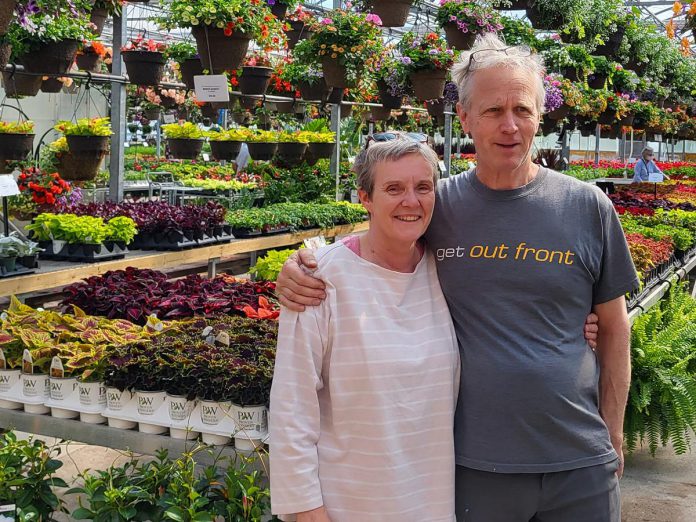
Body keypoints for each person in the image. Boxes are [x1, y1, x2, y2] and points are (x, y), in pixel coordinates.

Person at [276, 32, 636, 522]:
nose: (509, 126)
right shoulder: (437, 205)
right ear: (464, 118)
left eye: (522, 110)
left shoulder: (588, 207)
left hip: (580, 461)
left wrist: (612, 431)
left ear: (540, 116)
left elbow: (614, 328)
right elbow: (378, 242)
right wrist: (301, 265)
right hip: (474, 466)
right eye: (492, 111)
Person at [269, 137, 460, 521]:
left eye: (423, 187)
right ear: (365, 198)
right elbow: (292, 408)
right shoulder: (321, 279)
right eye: (393, 188)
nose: (411, 201)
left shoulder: (448, 271)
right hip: (349, 506)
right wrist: (307, 511)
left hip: (432, 503)